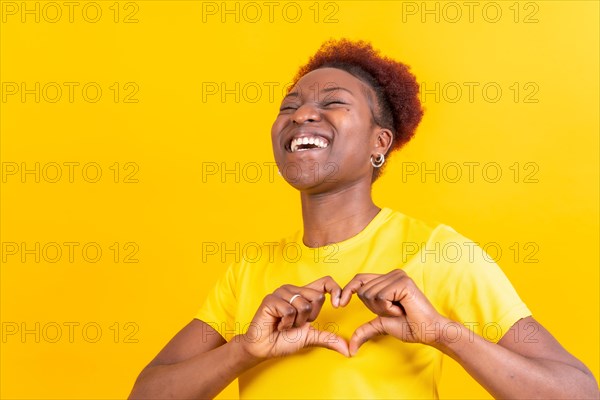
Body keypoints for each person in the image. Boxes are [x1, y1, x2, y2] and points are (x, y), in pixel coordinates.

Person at [129, 39, 599, 399]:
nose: (302, 115)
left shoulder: (439, 252)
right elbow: (146, 392)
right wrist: (244, 351)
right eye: (288, 107)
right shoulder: (250, 271)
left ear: (380, 143)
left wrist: (443, 333)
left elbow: (578, 391)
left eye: (332, 103)